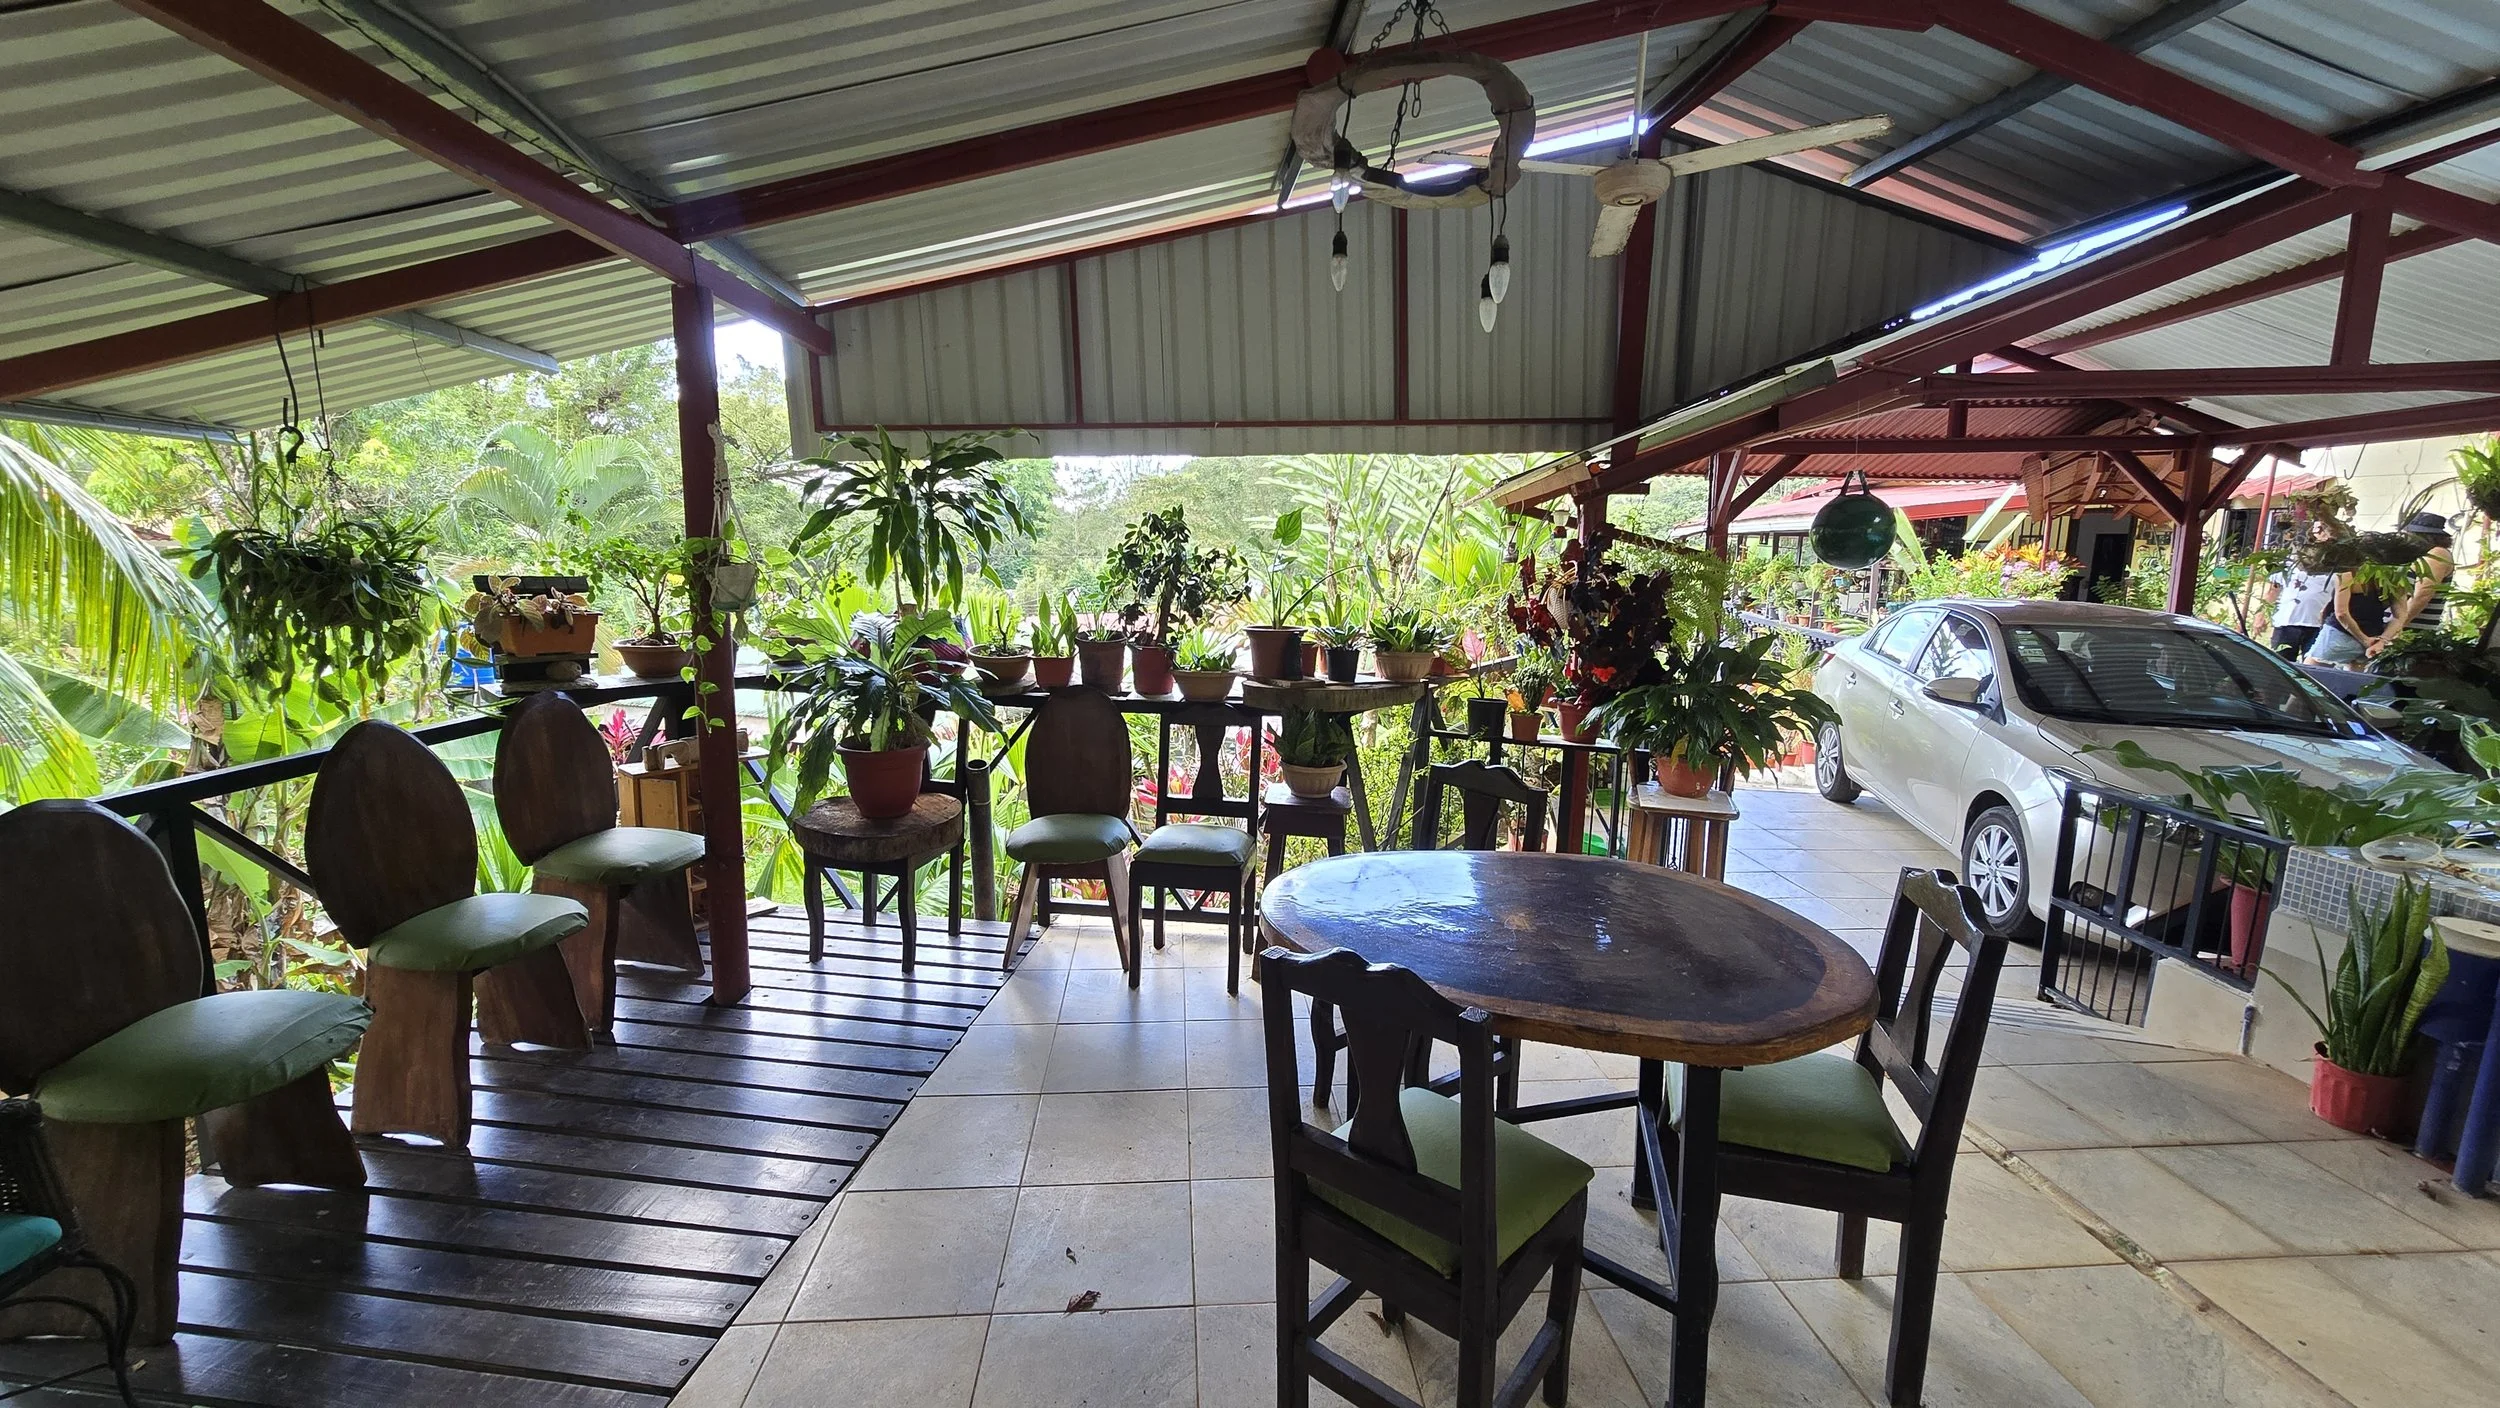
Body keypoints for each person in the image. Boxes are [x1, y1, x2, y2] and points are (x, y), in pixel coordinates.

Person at [2369, 510, 2456, 659]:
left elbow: (2422, 594)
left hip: (2410, 631)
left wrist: (2393, 630)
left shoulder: (2437, 553)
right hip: (2396, 627)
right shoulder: (2418, 555)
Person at [2261, 519, 2341, 660]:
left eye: (2328, 530)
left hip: (2319, 626)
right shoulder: (2291, 562)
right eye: (2320, 529)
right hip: (2287, 624)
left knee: (2312, 671)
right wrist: (2260, 616)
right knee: (2281, 666)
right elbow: (2273, 591)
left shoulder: (2340, 567)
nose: (2325, 534)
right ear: (2312, 534)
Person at [2304, 570, 2386, 668]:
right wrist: (2382, 640)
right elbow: (2400, 615)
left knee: (2306, 676)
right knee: (2354, 681)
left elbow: (2341, 613)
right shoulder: (2391, 576)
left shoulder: (2348, 573)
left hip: (2340, 634)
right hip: (2372, 637)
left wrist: (2365, 640)